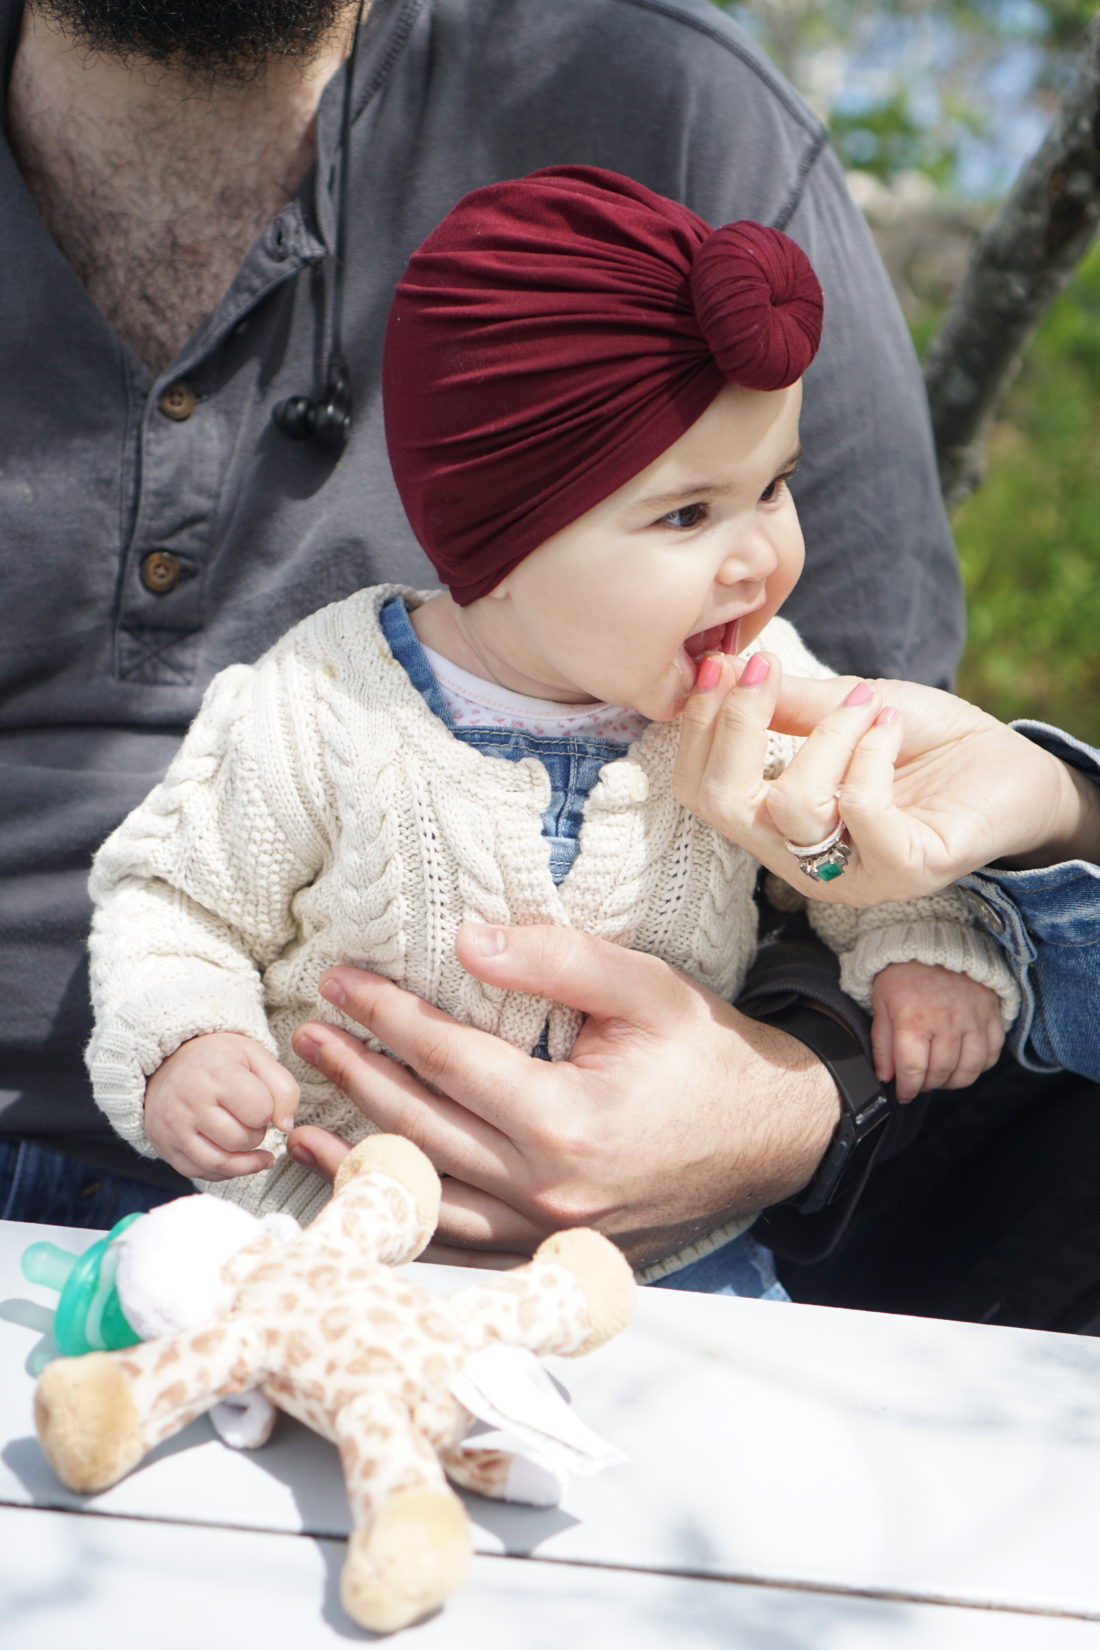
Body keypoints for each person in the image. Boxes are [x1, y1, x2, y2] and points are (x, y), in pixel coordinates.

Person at [1, 0, 962, 1246]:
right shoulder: (327, 698)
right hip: (280, 1206)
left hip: (653, 1250)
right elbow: (177, 900)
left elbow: (874, 813)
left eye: (773, 489)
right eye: (685, 517)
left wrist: (871, 1010)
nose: (756, 556)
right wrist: (185, 1036)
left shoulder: (661, 96)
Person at [672, 659, 1100, 1326]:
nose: (748, 559)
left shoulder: (757, 656)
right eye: (675, 542)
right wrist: (1060, 805)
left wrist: (921, 930)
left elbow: (832, 855)